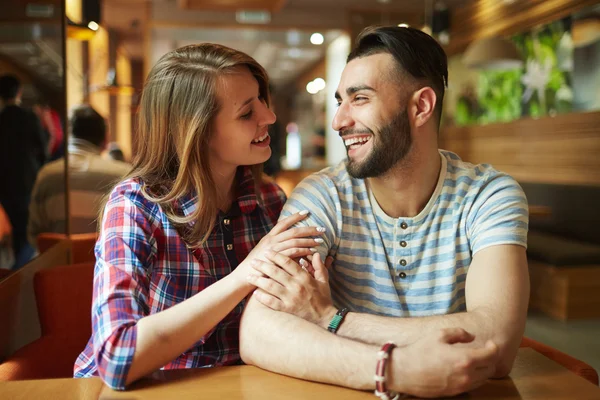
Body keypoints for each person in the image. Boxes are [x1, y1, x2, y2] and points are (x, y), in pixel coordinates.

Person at [239, 26, 529, 399]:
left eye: (359, 98)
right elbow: (257, 330)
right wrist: (391, 370)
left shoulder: (488, 195)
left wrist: (332, 319)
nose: (338, 121)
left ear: (421, 106)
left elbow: (497, 342)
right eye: (340, 100)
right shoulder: (324, 195)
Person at [73, 43, 323, 390]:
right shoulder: (135, 206)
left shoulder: (269, 199)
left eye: (263, 101)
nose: (269, 117)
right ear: (198, 131)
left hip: (238, 383)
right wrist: (244, 275)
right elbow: (118, 358)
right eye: (247, 112)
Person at [28, 105, 131, 246]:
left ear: (68, 136)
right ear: (105, 140)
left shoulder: (47, 174)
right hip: (107, 266)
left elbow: (35, 235)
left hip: (57, 265)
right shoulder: (124, 175)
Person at [0, 74, 48, 268]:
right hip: (27, 183)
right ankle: (20, 272)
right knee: (25, 234)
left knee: (8, 235)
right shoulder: (29, 117)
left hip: (3, 185)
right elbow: (43, 150)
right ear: (19, 92)